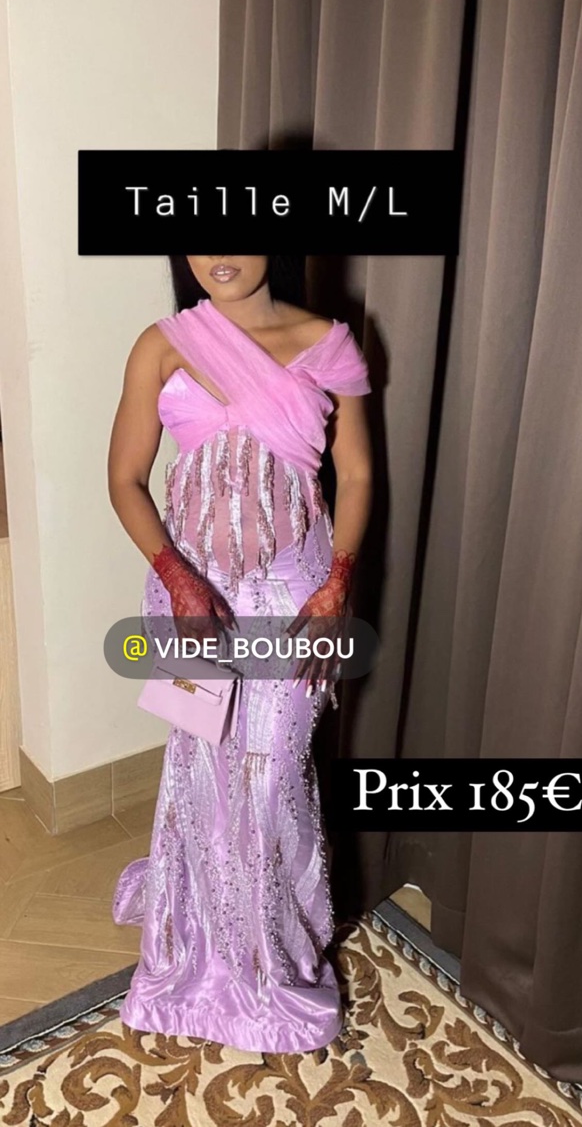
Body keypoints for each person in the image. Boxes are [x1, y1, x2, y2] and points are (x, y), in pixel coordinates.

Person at [108, 255, 373, 1053]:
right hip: (191, 594)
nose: (218, 250)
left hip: (295, 592)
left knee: (273, 774)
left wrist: (336, 585)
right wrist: (177, 580)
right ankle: (193, 938)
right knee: (200, 765)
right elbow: (125, 478)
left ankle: (271, 960)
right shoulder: (161, 342)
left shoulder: (329, 342)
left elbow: (357, 475)